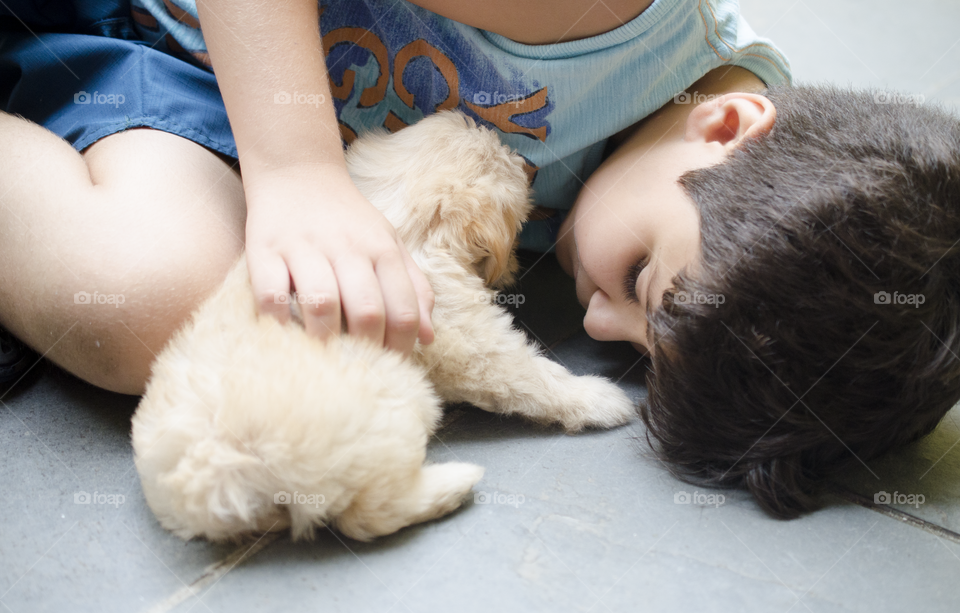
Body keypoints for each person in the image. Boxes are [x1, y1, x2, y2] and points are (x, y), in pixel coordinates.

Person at [4, 0, 955, 518]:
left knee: (144, 305)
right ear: (730, 125)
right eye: (638, 285)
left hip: (155, 85)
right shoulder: (584, 17)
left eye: (628, 348)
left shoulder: (681, 201)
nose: (592, 325)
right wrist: (295, 172)